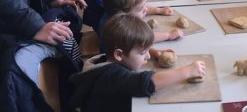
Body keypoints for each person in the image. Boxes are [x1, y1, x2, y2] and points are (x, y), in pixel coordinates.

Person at [69, 13, 205, 112]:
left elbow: (135, 48)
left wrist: (154, 53)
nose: (147, 57)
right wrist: (188, 71)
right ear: (119, 54)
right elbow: (147, 83)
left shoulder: (107, 58)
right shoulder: (112, 75)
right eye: (142, 52)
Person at [97, 0, 183, 45]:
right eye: (141, 9)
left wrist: (159, 10)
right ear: (123, 15)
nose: (145, 9)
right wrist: (169, 35)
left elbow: (137, 7)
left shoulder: (115, 12)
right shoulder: (121, 29)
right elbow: (145, 38)